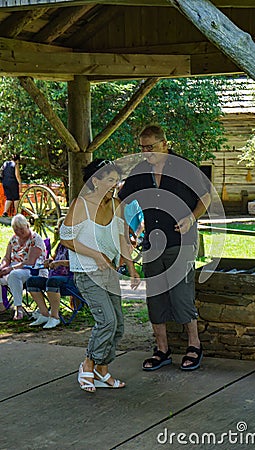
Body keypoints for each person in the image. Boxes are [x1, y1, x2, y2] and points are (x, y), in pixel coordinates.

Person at [119, 124, 211, 371]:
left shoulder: (184, 167)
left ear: (164, 144)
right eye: (142, 148)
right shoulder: (140, 170)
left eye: (150, 147)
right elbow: (122, 200)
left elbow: (206, 197)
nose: (146, 152)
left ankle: (194, 345)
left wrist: (191, 217)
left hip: (182, 242)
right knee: (155, 299)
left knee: (181, 295)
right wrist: (126, 228)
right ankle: (162, 349)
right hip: (153, 245)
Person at [60, 159, 140, 393]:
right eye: (110, 180)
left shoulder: (117, 204)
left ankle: (102, 370)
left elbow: (123, 240)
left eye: (116, 181)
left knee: (119, 326)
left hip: (110, 272)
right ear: (95, 181)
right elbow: (66, 238)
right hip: (87, 272)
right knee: (107, 321)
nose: (115, 185)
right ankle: (88, 364)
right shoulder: (80, 204)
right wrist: (96, 255)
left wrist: (132, 270)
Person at [26, 218, 73, 329]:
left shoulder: (74, 245)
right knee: (31, 281)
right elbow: (55, 259)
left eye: (60, 228)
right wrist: (50, 262)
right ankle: (44, 314)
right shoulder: (60, 245)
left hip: (70, 279)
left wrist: (59, 263)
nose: (57, 231)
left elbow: (78, 264)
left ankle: (55, 317)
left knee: (52, 281)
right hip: (55, 277)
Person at [0, 214, 47, 319]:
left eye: (21, 229)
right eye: (16, 230)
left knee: (14, 275)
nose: (19, 232)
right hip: (14, 268)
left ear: (27, 226)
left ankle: (19, 308)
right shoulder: (13, 239)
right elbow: (7, 258)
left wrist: (10, 269)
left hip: (33, 270)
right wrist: (2, 267)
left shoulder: (35, 238)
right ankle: (1, 306)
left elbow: (30, 261)